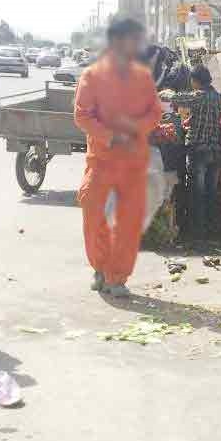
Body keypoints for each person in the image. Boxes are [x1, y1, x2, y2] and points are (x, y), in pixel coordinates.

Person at [73, 16, 163, 297]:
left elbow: (155, 113)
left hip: (133, 162)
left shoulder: (143, 78)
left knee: (127, 222)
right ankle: (100, 268)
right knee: (92, 212)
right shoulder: (92, 77)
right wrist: (111, 136)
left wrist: (136, 129)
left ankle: (117, 278)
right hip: (101, 160)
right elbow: (82, 116)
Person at [165, 65, 221, 240]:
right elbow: (209, 116)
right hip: (214, 150)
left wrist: (165, 93)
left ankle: (197, 233)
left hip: (199, 150)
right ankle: (211, 230)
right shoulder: (219, 97)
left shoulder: (199, 96)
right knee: (211, 193)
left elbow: (179, 98)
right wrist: (192, 120)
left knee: (197, 193)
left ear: (196, 81)